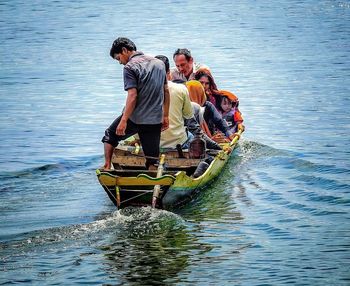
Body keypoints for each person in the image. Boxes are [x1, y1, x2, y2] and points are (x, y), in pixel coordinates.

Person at [101, 37, 170, 170]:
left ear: (124, 50)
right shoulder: (159, 64)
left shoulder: (129, 67)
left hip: (135, 118)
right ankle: (153, 184)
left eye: (118, 58)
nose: (120, 63)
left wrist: (124, 120)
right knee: (152, 160)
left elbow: (132, 95)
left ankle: (107, 166)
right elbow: (166, 91)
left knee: (109, 136)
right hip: (154, 120)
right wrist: (165, 116)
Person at [154, 55, 194, 149]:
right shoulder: (181, 89)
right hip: (178, 142)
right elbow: (188, 114)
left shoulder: (142, 90)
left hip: (152, 143)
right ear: (168, 73)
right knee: (192, 136)